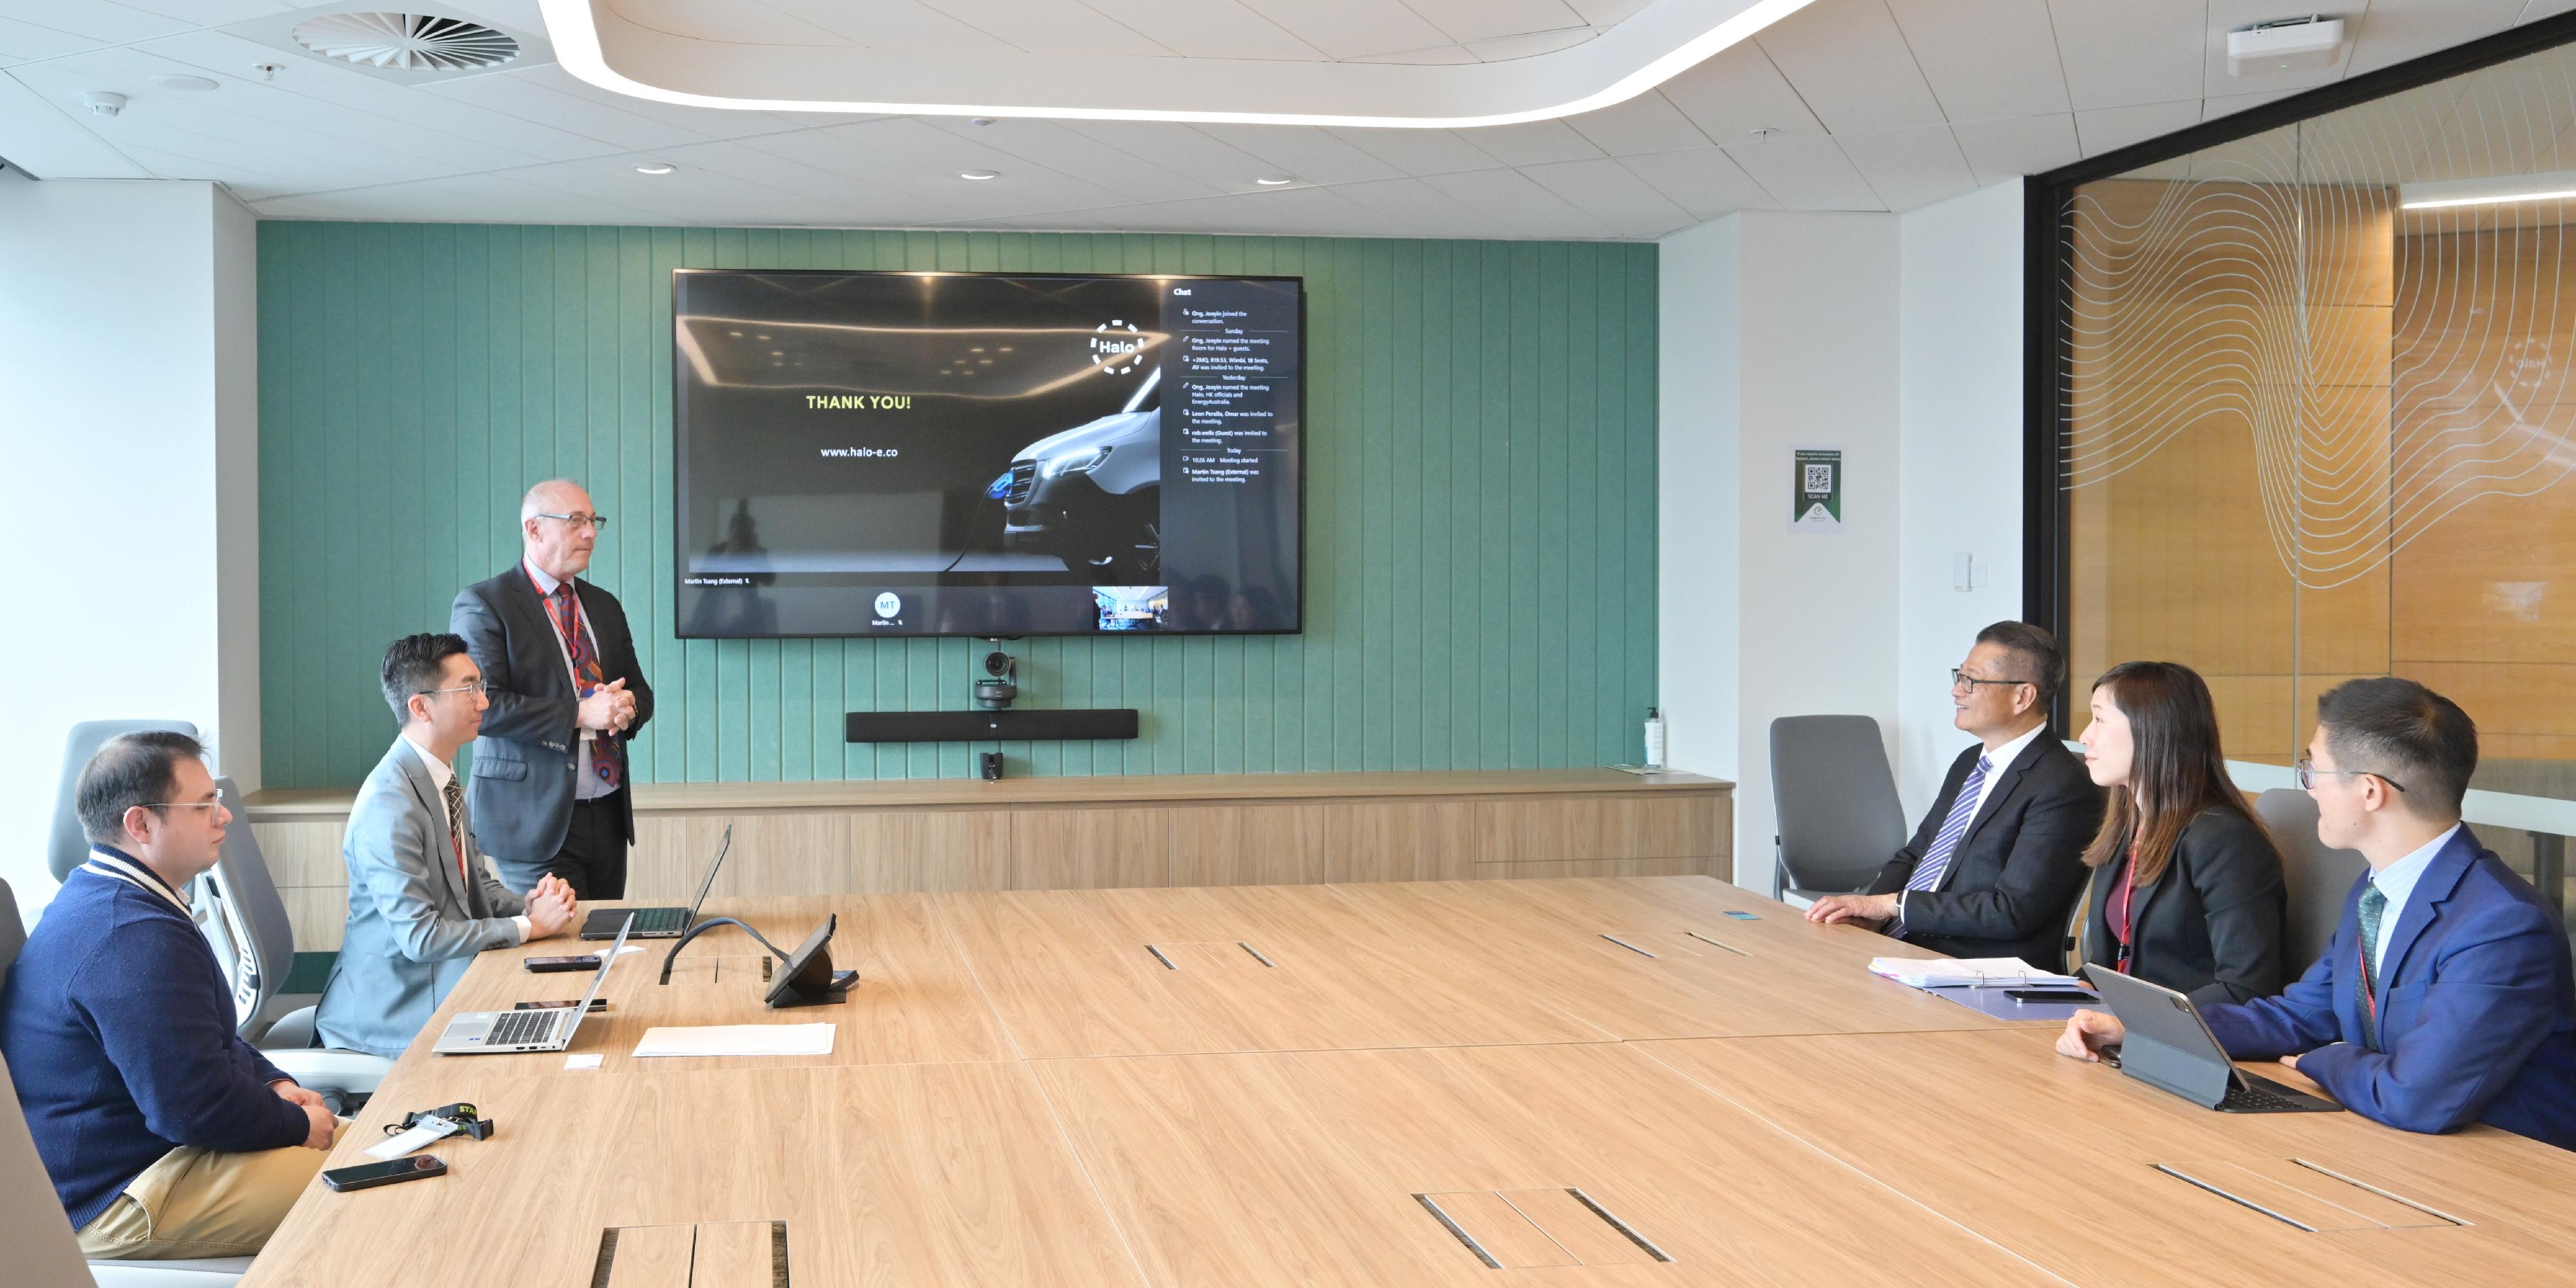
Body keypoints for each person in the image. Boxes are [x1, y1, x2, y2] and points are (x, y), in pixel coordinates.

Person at [2060, 677, 2576, 1150]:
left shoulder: (2501, 926)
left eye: (2314, 770)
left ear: (2370, 791)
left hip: (2505, 1169)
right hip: (2391, 1142)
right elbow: (2302, 1013)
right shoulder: (2375, 890)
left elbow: (2416, 1096)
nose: (2308, 789)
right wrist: (2139, 1026)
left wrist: (2322, 1058)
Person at [0, 733, 340, 1258]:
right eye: (204, 806)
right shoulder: (131, 935)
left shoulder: (112, 894)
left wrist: (271, 1082)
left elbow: (201, 1038)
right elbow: (192, 1106)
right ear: (140, 824)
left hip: (150, 1152)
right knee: (369, 1185)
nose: (223, 817)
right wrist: (294, 1123)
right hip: (117, 1195)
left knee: (373, 1156)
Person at [314, 634, 578, 1058]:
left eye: (482, 687)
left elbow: (474, 886)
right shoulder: (390, 804)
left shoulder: (442, 779)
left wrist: (526, 906)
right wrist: (531, 928)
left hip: (448, 982)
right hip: (396, 1012)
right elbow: (421, 937)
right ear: (421, 707)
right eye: (469, 689)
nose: (485, 703)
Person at [1806, 621, 2100, 970]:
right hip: (1909, 948)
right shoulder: (1969, 763)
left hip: (1977, 968)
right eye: (1958, 677)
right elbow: (1918, 852)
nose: (1956, 692)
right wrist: (1869, 911)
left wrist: (1893, 907)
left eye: (1971, 681)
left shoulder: (2065, 786)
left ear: (2023, 696)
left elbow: (2011, 911)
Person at [453, 478, 654, 898]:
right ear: (534, 529)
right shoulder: (486, 604)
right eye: (576, 521)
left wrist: (627, 706)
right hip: (534, 819)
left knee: (604, 948)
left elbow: (640, 689)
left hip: (608, 814)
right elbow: (486, 708)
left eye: (594, 521)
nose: (590, 532)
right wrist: (583, 713)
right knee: (559, 955)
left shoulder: (604, 605)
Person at [2070, 661, 2286, 1005]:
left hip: (2190, 1042)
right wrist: (2061, 991)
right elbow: (2112, 963)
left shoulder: (2224, 841)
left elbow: (2246, 988)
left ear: (2151, 729)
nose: (2085, 736)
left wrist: (2132, 1021)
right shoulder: (2129, 828)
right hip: (2124, 1028)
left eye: (2099, 719)